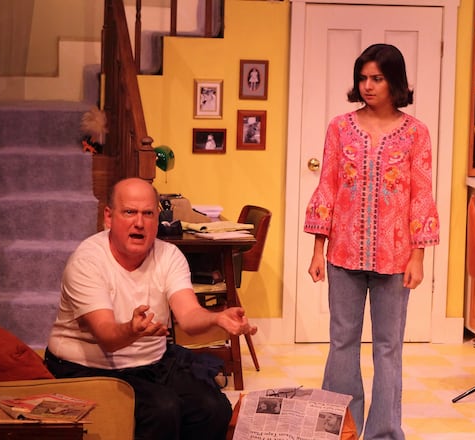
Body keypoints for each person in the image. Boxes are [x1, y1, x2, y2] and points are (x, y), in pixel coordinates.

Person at [44, 177, 257, 440]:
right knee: (162, 408)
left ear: (158, 220)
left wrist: (217, 318)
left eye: (148, 214)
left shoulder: (169, 256)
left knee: (214, 408)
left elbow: (188, 316)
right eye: (130, 212)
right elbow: (107, 337)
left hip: (151, 363)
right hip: (85, 368)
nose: (139, 222)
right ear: (108, 217)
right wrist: (132, 331)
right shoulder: (87, 261)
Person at [304, 43, 439, 440]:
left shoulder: (416, 133)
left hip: (396, 260)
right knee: (342, 343)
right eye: (362, 78)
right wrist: (317, 249)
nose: (367, 85)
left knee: (387, 349)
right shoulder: (339, 127)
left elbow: (422, 196)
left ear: (394, 81)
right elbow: (326, 188)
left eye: (376, 78)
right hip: (342, 254)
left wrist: (419, 257)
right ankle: (341, 430)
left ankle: (383, 433)